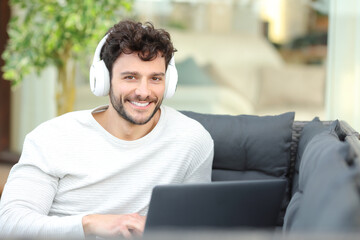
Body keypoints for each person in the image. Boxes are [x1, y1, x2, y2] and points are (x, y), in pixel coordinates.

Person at [0, 20, 214, 239]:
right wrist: (92, 223)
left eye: (155, 79)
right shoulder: (52, 138)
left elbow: (195, 228)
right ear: (103, 80)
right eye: (130, 77)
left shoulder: (192, 140)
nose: (143, 91)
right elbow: (10, 224)